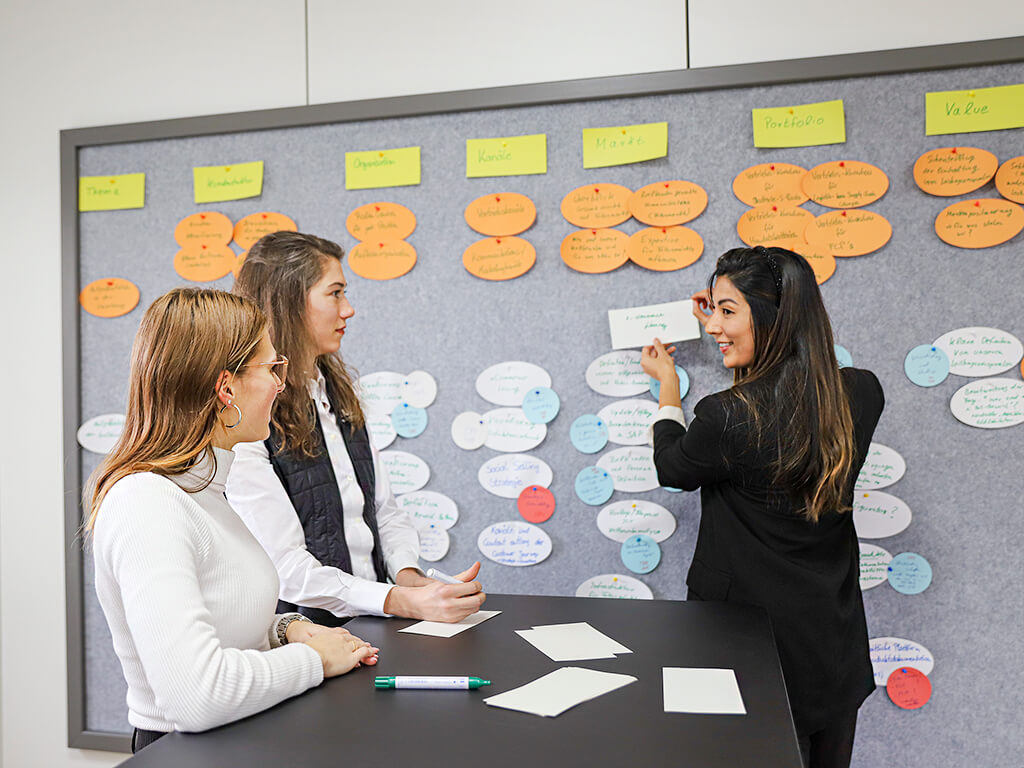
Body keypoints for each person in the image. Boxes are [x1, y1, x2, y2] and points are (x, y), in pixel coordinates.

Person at [86, 288, 380, 753]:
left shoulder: (205, 489)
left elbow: (222, 620)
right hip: (182, 751)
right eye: (270, 369)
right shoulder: (147, 503)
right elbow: (196, 695)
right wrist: (312, 660)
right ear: (226, 387)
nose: (280, 385)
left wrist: (284, 630)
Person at [640, 246, 883, 768]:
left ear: (772, 317)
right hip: (830, 650)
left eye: (729, 312)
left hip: (747, 654)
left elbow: (673, 466)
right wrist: (731, 321)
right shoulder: (862, 394)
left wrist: (666, 387)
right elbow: (785, 409)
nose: (714, 328)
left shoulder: (727, 417)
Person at [228, 231, 485, 626]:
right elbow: (286, 569)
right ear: (290, 302)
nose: (348, 310)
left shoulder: (338, 392)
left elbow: (384, 510)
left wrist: (408, 577)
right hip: (303, 641)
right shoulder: (247, 418)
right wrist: (400, 601)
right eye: (335, 293)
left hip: (369, 626)